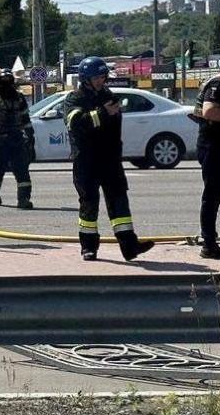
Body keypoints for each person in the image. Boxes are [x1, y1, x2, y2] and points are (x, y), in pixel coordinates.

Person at [63, 56, 154, 261]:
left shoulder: (108, 95)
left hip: (110, 159)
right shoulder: (74, 98)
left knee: (119, 202)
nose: (101, 80)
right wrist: (103, 113)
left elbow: (113, 126)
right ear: (85, 78)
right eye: (97, 76)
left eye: (103, 76)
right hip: (86, 160)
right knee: (89, 203)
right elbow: (76, 124)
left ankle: (129, 247)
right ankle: (88, 248)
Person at [0, 68, 34, 209]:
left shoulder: (19, 98)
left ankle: (23, 200)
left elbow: (25, 119)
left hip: (16, 139)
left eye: (8, 83)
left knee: (22, 171)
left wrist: (30, 137)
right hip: (0, 141)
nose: (6, 86)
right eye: (4, 83)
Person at [191, 73, 220, 258]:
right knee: (212, 196)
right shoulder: (218, 84)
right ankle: (208, 244)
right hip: (214, 147)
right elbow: (209, 111)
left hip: (217, 146)